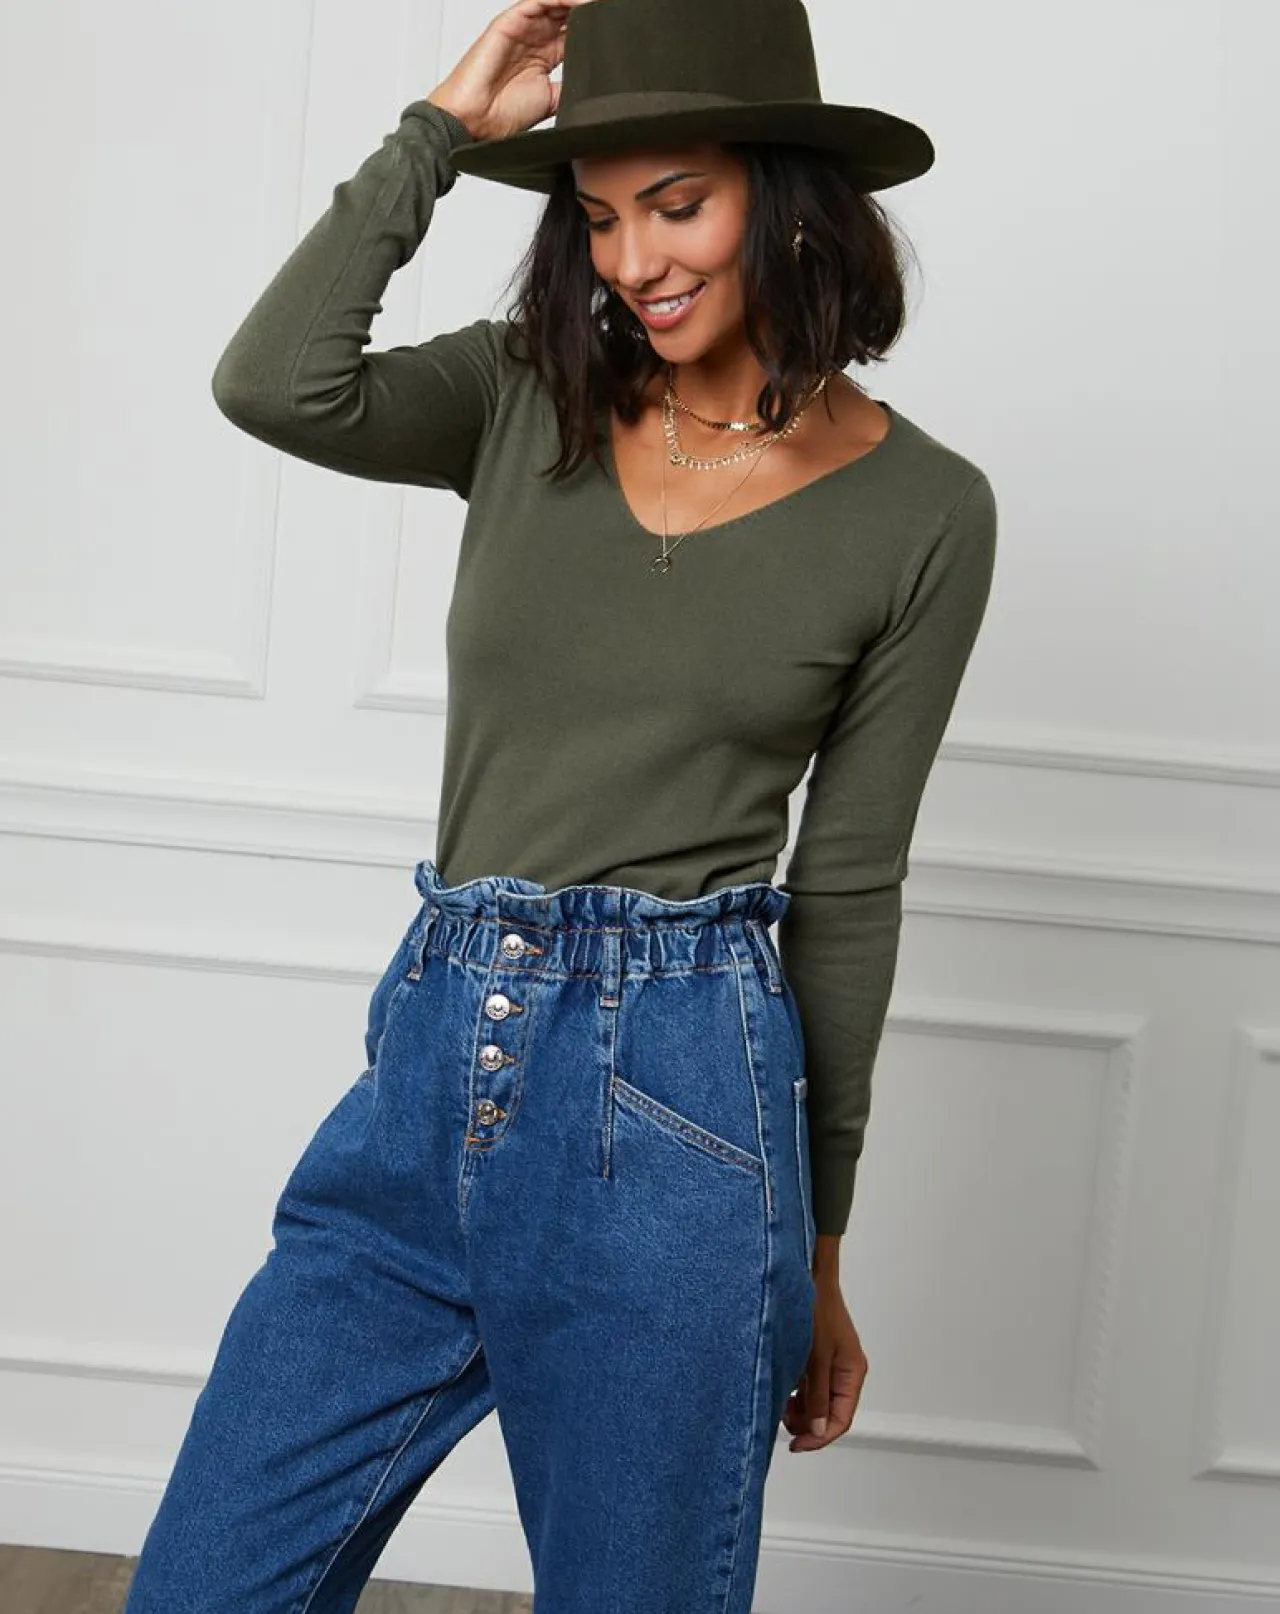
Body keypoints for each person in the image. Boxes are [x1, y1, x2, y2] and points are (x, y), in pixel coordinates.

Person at [124, 0, 997, 1609]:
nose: (634, 260)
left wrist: (813, 1247)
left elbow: (851, 883)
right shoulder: (524, 393)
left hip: (683, 1113)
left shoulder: (925, 510)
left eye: (678, 204)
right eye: (597, 217)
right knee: (207, 1582)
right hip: (429, 1070)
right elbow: (275, 383)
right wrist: (441, 131)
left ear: (787, 197)